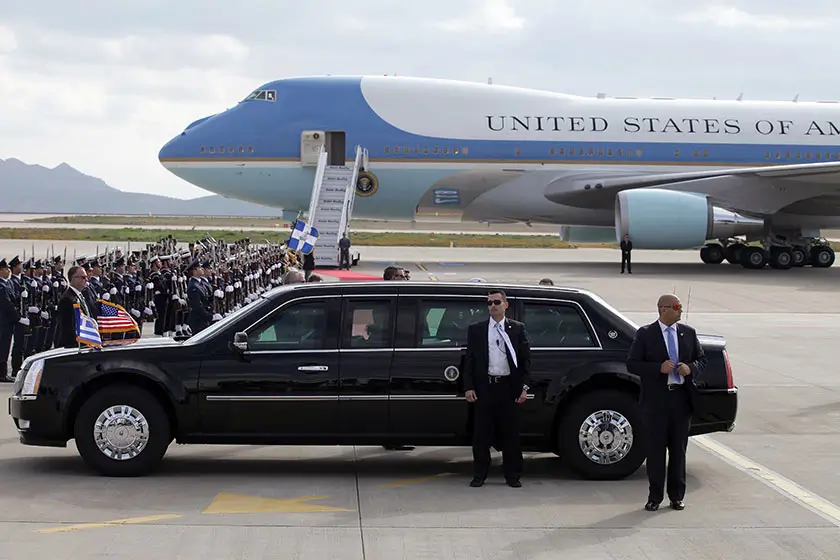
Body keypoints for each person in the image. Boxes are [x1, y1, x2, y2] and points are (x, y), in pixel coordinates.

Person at [626, 293, 706, 512]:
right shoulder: (645, 334)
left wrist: (691, 368)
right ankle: (654, 496)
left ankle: (677, 496)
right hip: (656, 401)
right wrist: (657, 368)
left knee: (679, 451)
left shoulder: (687, 333)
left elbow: (701, 359)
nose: (681, 310)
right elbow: (632, 364)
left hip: (680, 398)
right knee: (656, 451)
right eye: (677, 306)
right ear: (663, 309)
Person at [463, 290, 531, 488]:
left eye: (497, 302)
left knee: (510, 434)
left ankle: (512, 475)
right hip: (485, 388)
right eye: (489, 303)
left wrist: (523, 387)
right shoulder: (477, 330)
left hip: (508, 388)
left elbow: (525, 360)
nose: (493, 306)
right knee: (481, 435)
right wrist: (469, 387)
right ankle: (479, 475)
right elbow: (470, 360)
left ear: (505, 305)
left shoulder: (517, 329)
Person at [56, 265, 93, 349]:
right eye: (83, 277)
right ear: (73, 278)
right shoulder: (68, 299)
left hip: (83, 343)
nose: (86, 280)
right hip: (73, 346)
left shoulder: (80, 295)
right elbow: (69, 327)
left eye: (86, 277)